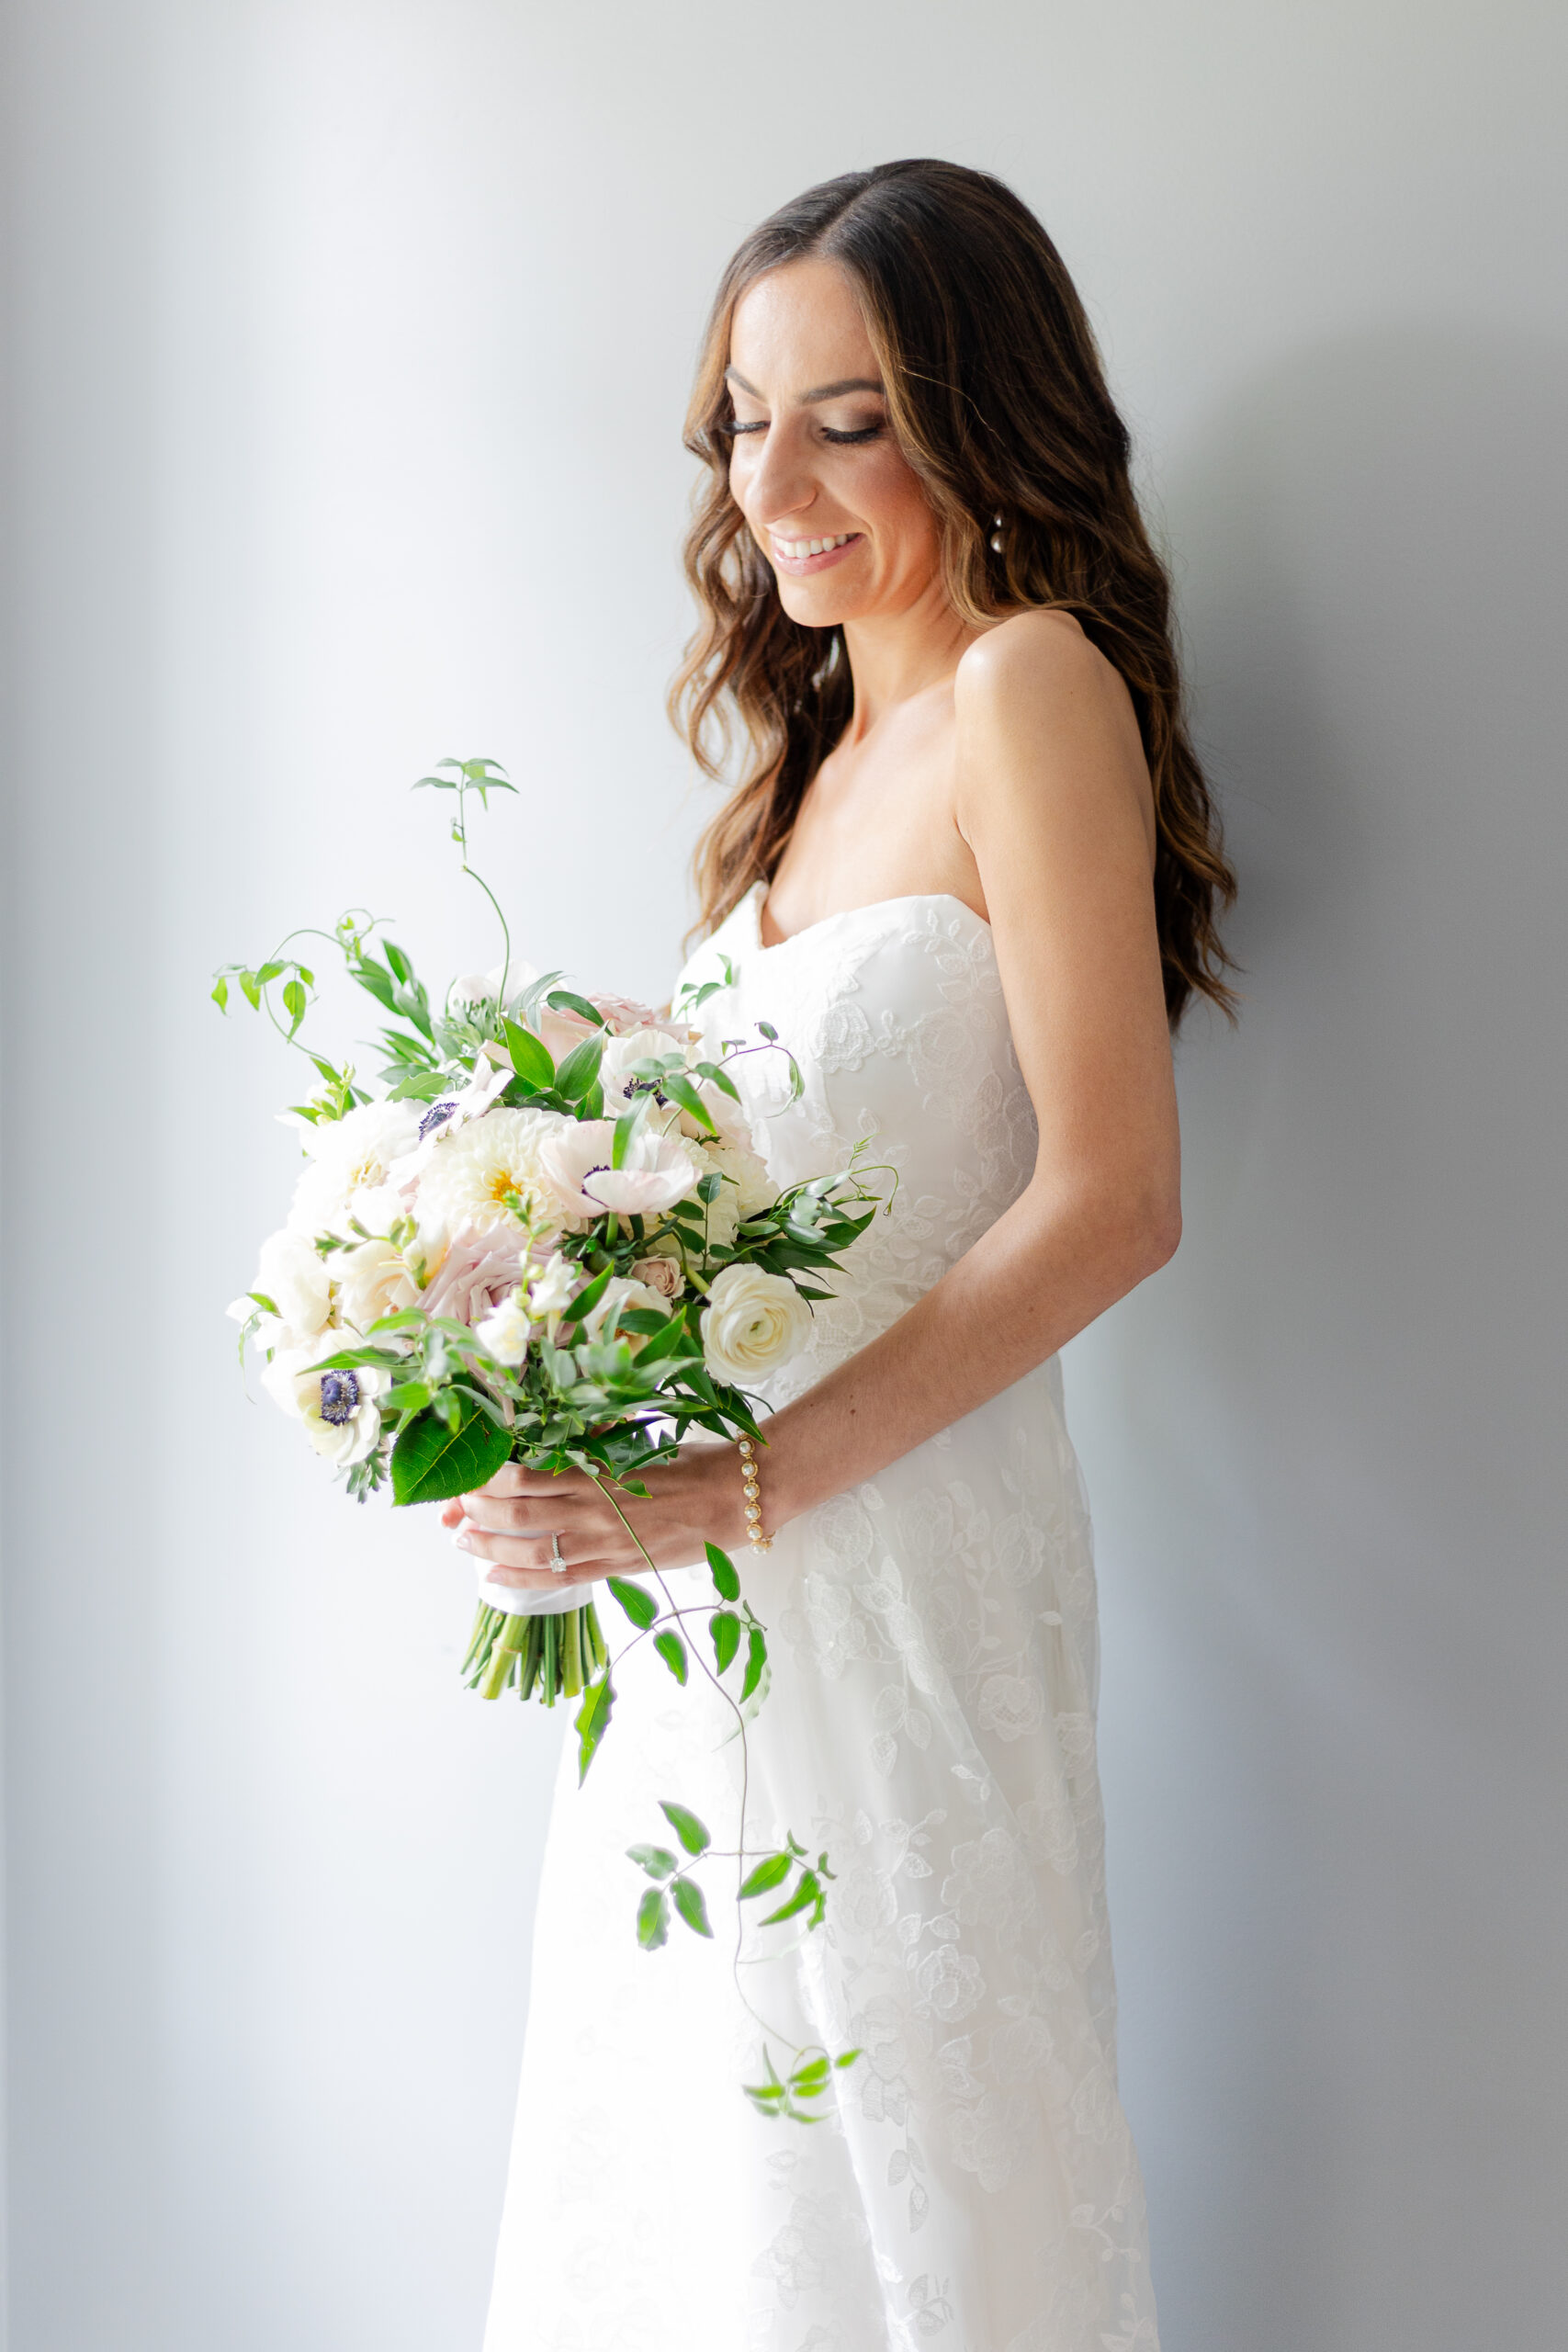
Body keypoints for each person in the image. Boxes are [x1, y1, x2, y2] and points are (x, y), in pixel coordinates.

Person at [452, 158, 1233, 2352]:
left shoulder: (1023, 688)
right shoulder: (804, 765)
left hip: (888, 1563)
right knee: (698, 2199)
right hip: (704, 1613)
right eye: (739, 420)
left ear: (981, 417)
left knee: (898, 2168)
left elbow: (1115, 1194)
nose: (767, 484)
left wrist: (743, 1479)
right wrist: (541, 1354)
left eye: (846, 420)